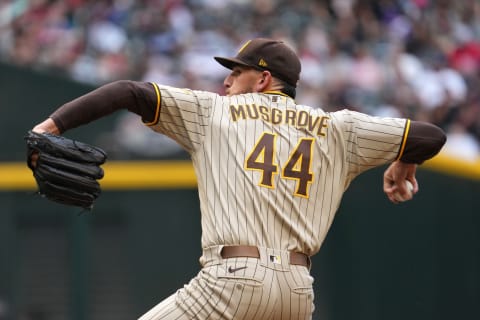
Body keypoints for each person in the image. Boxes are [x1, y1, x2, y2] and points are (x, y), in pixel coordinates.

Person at [30, 38, 446, 319]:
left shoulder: (216, 111)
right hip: (297, 294)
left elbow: (129, 91)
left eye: (237, 72)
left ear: (263, 80)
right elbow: (431, 136)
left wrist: (52, 127)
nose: (226, 80)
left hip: (232, 281)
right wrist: (403, 162)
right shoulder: (337, 128)